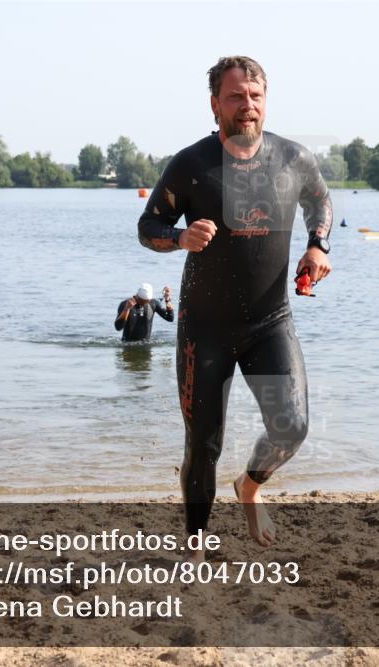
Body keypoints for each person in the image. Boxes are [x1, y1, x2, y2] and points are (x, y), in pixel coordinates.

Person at [137, 55, 332, 559]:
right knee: (203, 445)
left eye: (255, 96)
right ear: (215, 104)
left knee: (292, 426)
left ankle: (250, 486)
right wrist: (179, 238)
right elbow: (148, 227)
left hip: (270, 321)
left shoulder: (294, 159)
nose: (247, 106)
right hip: (205, 328)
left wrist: (318, 246)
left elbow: (320, 202)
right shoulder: (192, 165)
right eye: (235, 97)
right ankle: (197, 542)